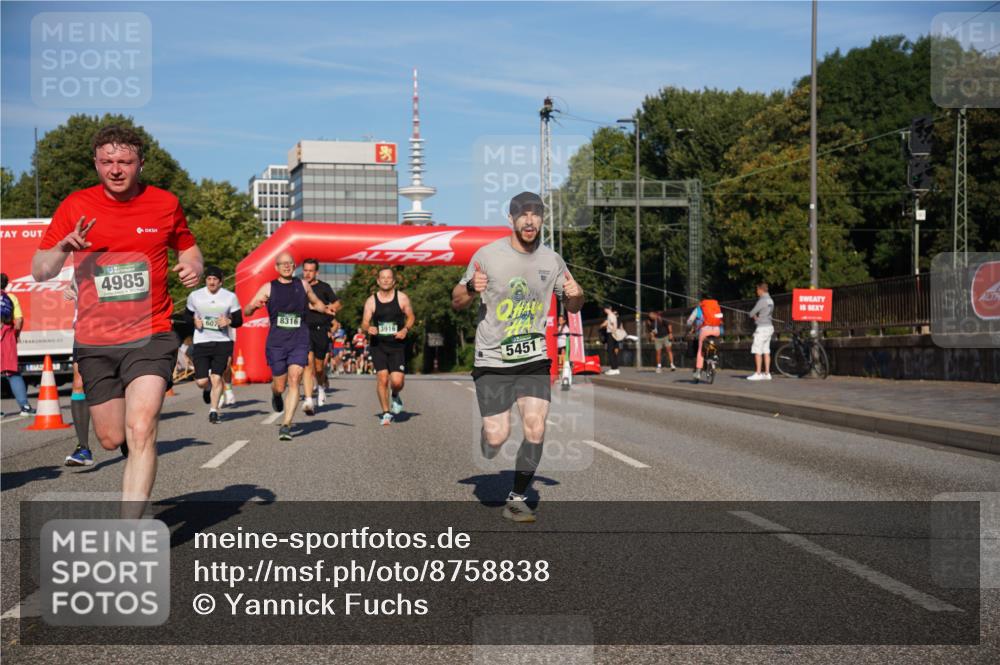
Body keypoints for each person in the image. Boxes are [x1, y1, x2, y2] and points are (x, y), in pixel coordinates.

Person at [32, 125, 203, 508]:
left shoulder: (164, 203)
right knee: (111, 437)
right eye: (107, 161)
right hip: (96, 337)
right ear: (95, 162)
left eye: (124, 161)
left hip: (151, 332)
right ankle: (127, 445)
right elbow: (41, 269)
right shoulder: (76, 206)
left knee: (142, 427)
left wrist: (192, 265)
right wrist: (62, 247)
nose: (115, 169)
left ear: (140, 163)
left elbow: (188, 247)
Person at [452, 191, 584, 523]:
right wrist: (470, 287)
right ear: (510, 219)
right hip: (493, 358)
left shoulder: (552, 260)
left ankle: (517, 498)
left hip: (533, 356)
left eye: (536, 214)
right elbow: (456, 300)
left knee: (536, 427)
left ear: (542, 219)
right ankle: (488, 436)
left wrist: (575, 295)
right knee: (497, 438)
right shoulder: (487, 255)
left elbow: (573, 304)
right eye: (522, 214)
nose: (529, 220)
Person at [243, 251, 338, 441]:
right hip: (277, 342)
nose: (287, 266)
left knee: (295, 379)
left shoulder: (302, 285)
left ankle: (286, 424)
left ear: (294, 267)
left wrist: (325, 308)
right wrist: (255, 306)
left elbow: (316, 302)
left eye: (290, 263)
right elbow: (247, 309)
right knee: (280, 384)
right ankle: (276, 395)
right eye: (282, 263)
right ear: (276, 268)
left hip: (299, 340)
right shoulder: (268, 287)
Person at [186, 265, 243, 423]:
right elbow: (186, 316)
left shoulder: (230, 297)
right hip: (202, 341)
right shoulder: (195, 296)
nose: (211, 283)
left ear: (221, 281)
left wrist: (229, 320)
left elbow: (239, 320)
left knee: (217, 377)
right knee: (201, 381)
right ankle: (208, 388)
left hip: (222, 342)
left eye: (215, 280)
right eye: (209, 279)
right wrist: (193, 321)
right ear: (205, 280)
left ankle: (213, 410)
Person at [361, 266, 415, 426]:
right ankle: (386, 412)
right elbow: (364, 321)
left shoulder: (402, 298)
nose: (385, 280)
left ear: (393, 281)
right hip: (378, 345)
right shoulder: (371, 300)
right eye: (382, 277)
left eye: (388, 277)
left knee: (397, 382)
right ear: (378, 281)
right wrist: (368, 327)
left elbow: (411, 316)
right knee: (382, 379)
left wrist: (405, 329)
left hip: (397, 345)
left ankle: (395, 394)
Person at [300, 259, 341, 415]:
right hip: (304, 329)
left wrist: (329, 308)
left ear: (316, 272)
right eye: (305, 270)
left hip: (321, 330)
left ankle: (322, 387)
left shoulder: (324, 287)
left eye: (311, 270)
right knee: (307, 364)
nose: (308, 273)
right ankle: (309, 399)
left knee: (318, 367)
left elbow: (338, 303)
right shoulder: (298, 287)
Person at [60, 281, 94, 466]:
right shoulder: (79, 265)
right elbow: (74, 285)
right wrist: (70, 290)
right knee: (78, 382)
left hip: (115, 330)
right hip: (84, 331)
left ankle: (126, 433)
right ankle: (84, 449)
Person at [1, 273, 34, 416]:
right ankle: (25, 407)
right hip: (7, 335)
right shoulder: (11, 298)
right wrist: (16, 334)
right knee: (12, 372)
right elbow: (19, 320)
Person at [686, 297, 723, 381]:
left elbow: (689, 321)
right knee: (715, 343)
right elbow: (720, 318)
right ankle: (715, 356)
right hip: (716, 330)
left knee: (701, 351)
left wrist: (689, 327)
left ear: (701, 302)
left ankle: (698, 372)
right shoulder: (715, 307)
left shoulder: (698, 309)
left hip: (704, 331)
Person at [747, 282, 774, 381]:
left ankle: (758, 373)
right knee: (766, 350)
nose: (756, 292)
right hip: (769, 327)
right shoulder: (770, 300)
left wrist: (753, 316)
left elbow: (752, 313)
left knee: (757, 349)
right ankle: (767, 373)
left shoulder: (762, 300)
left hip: (762, 328)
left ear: (761, 290)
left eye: (757, 290)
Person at [599, 305, 623, 375]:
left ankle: (613, 368)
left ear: (607, 309)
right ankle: (615, 368)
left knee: (610, 351)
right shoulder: (612, 315)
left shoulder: (610, 315)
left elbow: (614, 324)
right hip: (612, 334)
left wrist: (613, 331)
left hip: (611, 334)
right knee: (612, 351)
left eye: (604, 309)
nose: (604, 311)